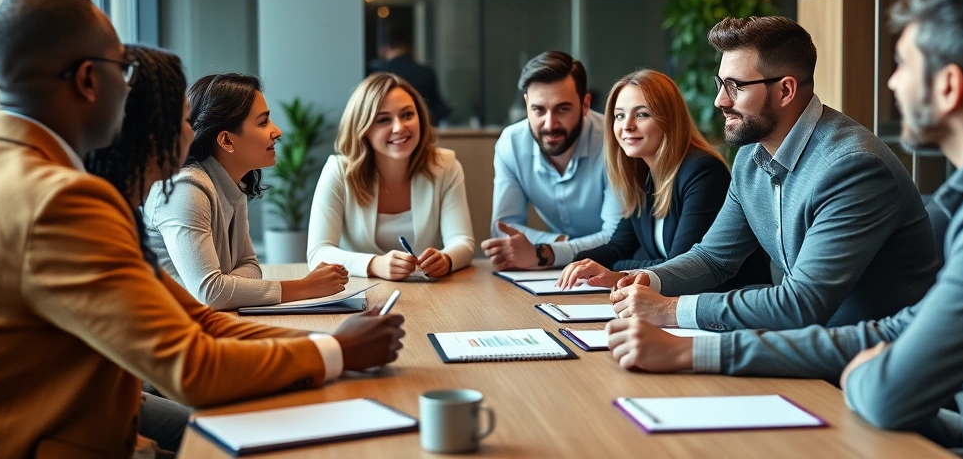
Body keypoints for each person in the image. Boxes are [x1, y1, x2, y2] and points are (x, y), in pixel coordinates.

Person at [606, 0, 963, 455]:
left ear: (947, 85)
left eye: (903, 65)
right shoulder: (753, 155)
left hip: (898, 402)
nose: (891, 85)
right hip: (895, 393)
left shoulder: (861, 168)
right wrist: (657, 283)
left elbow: (830, 332)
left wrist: (677, 321)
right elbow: (717, 256)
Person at [0, 0, 404, 458]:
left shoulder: (13, 172)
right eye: (122, 71)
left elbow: (198, 316)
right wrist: (338, 352)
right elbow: (192, 364)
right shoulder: (63, 199)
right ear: (87, 79)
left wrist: (324, 341)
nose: (129, 89)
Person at [608, 16, 939, 331]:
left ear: (785, 90)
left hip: (868, 365)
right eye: (720, 84)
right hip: (803, 347)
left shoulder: (852, 167)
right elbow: (713, 259)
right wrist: (646, 280)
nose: (720, 100)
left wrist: (670, 310)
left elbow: (802, 304)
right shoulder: (750, 157)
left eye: (735, 86)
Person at [144, 73, 349, 310]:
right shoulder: (186, 190)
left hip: (204, 322)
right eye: (263, 122)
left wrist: (230, 284)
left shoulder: (232, 183)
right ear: (227, 141)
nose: (277, 131)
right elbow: (210, 292)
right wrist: (305, 287)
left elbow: (250, 264)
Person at [556, 70, 770, 290]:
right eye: (619, 115)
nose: (627, 125)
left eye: (641, 114)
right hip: (675, 305)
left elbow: (679, 267)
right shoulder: (645, 175)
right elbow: (619, 246)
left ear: (668, 119)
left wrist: (613, 271)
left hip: (726, 307)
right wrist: (581, 263)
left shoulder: (703, 172)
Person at [84, 44, 196, 455]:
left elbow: (195, 313)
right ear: (154, 133)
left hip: (127, 391)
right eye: (185, 120)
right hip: (100, 410)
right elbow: (201, 310)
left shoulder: (124, 208)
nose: (193, 133)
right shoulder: (93, 213)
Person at [307, 73, 474, 280]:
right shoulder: (339, 171)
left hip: (430, 294)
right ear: (363, 128)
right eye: (384, 119)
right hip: (360, 294)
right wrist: (376, 264)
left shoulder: (445, 166)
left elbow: (463, 242)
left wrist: (446, 259)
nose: (399, 127)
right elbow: (318, 253)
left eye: (407, 115)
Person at [482, 50, 622, 270]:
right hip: (555, 274)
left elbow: (616, 237)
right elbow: (504, 228)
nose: (549, 124)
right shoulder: (511, 143)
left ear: (585, 104)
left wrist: (543, 252)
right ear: (526, 103)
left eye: (562, 109)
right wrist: (560, 244)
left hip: (618, 270)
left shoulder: (614, 142)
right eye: (538, 110)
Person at [372, 25, 451, 123]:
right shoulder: (426, 72)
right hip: (425, 126)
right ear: (408, 47)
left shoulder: (377, 74)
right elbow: (439, 109)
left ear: (385, 48)